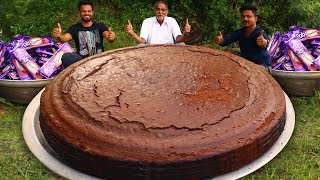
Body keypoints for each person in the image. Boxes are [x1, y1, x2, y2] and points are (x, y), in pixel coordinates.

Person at [52, 0, 116, 68]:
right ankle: (74, 77)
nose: (87, 13)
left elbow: (109, 38)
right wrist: (59, 35)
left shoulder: (100, 26)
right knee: (66, 57)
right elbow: (64, 39)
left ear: (92, 12)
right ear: (79, 13)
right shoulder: (75, 28)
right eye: (83, 11)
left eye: (89, 11)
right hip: (81, 61)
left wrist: (111, 37)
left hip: (99, 59)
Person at [124, 1, 191, 45]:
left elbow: (178, 39)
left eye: (163, 10)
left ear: (167, 12)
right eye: (157, 9)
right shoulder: (147, 22)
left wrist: (185, 34)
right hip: (151, 51)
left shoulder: (172, 21)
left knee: (182, 44)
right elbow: (142, 41)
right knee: (140, 45)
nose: (160, 12)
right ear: (154, 11)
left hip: (170, 50)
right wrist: (132, 33)